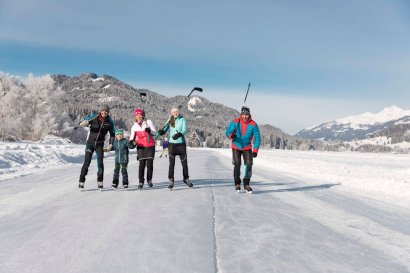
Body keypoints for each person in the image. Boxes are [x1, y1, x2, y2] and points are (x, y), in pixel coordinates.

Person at [78, 105, 115, 189]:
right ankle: (81, 181)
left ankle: (100, 181)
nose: (104, 112)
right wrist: (83, 123)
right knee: (87, 162)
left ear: (108, 112)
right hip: (90, 143)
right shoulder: (94, 117)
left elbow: (113, 135)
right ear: (100, 111)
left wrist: (110, 144)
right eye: (103, 110)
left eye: (106, 111)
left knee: (100, 163)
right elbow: (83, 122)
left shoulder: (110, 122)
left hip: (100, 145)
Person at [225, 106, 261, 193]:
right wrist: (231, 135)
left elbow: (257, 137)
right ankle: (237, 183)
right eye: (243, 114)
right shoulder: (236, 122)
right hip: (236, 146)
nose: (245, 116)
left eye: (246, 115)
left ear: (249, 115)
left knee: (249, 165)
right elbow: (228, 132)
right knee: (237, 164)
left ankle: (246, 184)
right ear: (241, 114)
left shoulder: (253, 124)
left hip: (247, 147)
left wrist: (255, 150)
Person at [157, 106, 193, 190]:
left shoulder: (182, 119)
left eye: (176, 112)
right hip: (172, 145)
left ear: (179, 112)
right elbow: (165, 129)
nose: (175, 113)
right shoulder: (171, 120)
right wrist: (161, 132)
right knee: (171, 164)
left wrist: (179, 134)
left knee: (184, 163)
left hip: (181, 144)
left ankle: (186, 178)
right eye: (173, 112)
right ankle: (171, 179)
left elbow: (185, 130)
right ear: (171, 113)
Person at [130, 108, 157, 189]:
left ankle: (149, 180)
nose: (139, 116)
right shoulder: (134, 126)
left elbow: (155, 133)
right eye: (137, 115)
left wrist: (149, 131)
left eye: (140, 115)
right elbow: (132, 139)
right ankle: (141, 182)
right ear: (135, 116)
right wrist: (132, 142)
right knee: (141, 165)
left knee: (149, 165)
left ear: (143, 115)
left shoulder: (148, 122)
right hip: (141, 147)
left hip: (150, 146)